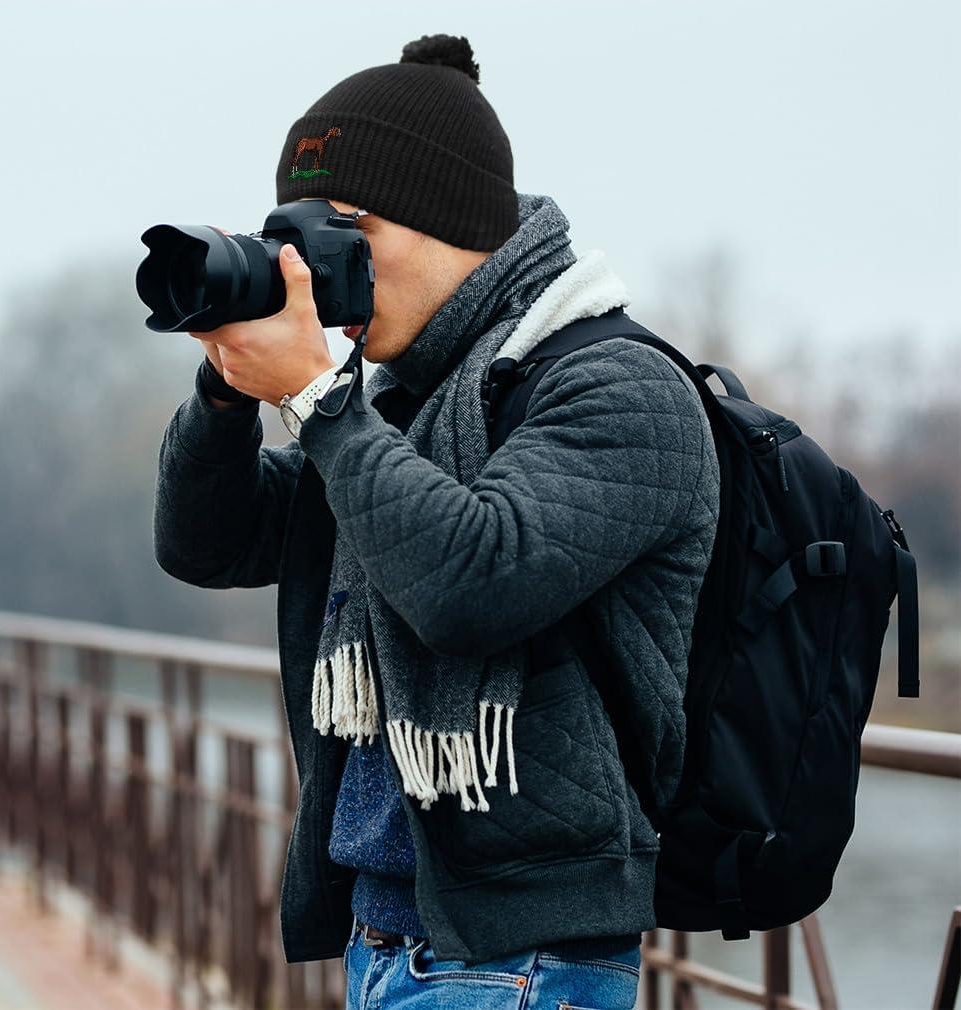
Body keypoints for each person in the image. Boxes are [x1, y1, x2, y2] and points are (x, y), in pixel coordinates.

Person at [153, 32, 721, 1010]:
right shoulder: (409, 407)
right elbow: (208, 542)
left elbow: (470, 582)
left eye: (348, 231)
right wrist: (226, 389)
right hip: (389, 940)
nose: (318, 266)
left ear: (453, 221)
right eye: (296, 236)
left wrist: (324, 404)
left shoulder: (615, 385)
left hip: (519, 958)